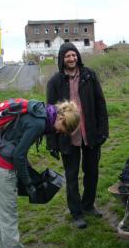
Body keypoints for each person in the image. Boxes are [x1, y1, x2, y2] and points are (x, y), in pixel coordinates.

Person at [0, 100, 80, 248]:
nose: (60, 133)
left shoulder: (42, 112)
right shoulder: (39, 124)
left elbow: (18, 144)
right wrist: (28, 182)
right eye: (64, 130)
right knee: (8, 220)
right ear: (61, 119)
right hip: (2, 171)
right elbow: (18, 156)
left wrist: (29, 174)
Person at [46, 42, 109, 229]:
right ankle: (76, 212)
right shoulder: (55, 82)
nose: (71, 58)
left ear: (78, 57)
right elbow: (49, 114)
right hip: (67, 136)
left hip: (90, 133)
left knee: (92, 172)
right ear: (62, 59)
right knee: (72, 176)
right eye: (67, 56)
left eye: (74, 55)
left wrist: (103, 130)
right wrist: (52, 142)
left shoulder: (89, 76)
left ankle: (88, 205)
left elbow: (100, 104)